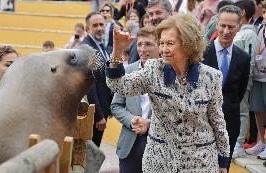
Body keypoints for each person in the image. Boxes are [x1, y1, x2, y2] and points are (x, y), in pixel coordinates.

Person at [106, 14, 230, 173]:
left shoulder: (211, 77)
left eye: (170, 43)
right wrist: (117, 53)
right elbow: (119, 86)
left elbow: (218, 121)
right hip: (159, 162)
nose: (163, 49)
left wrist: (223, 160)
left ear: (188, 45)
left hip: (201, 163)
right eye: (161, 43)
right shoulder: (152, 70)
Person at [203, 5, 250, 169]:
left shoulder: (243, 58)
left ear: (239, 27)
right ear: (217, 25)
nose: (226, 31)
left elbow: (239, 92)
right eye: (223, 25)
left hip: (229, 123)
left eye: (231, 26)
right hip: (200, 123)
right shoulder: (200, 54)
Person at [111, 26, 159, 173]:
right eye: (139, 44)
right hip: (130, 143)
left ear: (160, 46)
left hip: (158, 144)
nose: (142, 49)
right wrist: (131, 120)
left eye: (148, 44)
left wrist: (150, 123)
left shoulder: (170, 72)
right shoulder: (128, 71)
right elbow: (116, 106)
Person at [81, 12, 112, 147]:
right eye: (95, 25)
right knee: (90, 151)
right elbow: (89, 85)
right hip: (94, 115)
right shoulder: (87, 49)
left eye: (101, 24)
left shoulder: (100, 45)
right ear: (87, 29)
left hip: (103, 108)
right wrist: (98, 115)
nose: (99, 28)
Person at [231, 0, 258, 159]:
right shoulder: (238, 32)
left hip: (243, 79)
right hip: (231, 79)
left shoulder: (249, 33)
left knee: (242, 111)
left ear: (242, 13)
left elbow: (250, 58)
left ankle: (239, 143)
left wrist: (245, 78)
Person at [246, 0, 266, 160]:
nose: (265, 15)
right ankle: (261, 140)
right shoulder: (259, 28)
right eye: (264, 12)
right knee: (258, 109)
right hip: (259, 75)